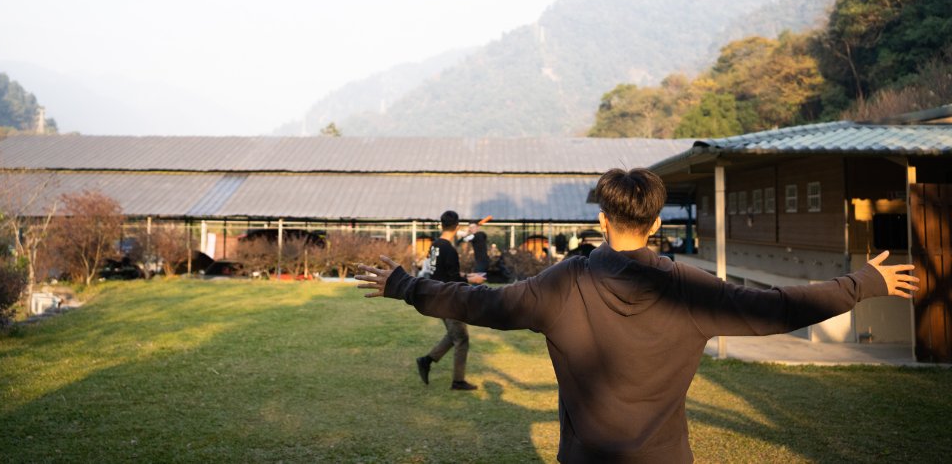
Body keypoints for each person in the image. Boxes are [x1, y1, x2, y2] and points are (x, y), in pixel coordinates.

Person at [356, 168, 918, 463]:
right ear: (655, 225)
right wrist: (862, 283)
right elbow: (779, 308)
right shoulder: (693, 289)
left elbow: (482, 304)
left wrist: (407, 285)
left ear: (603, 220)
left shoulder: (562, 283)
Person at [415, 210, 486, 390]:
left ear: (441, 225)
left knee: (454, 335)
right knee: (462, 339)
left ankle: (426, 360)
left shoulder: (434, 246)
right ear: (457, 227)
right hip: (448, 300)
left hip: (435, 296)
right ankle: (458, 381)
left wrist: (467, 275)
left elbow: (441, 273)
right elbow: (453, 281)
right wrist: (472, 280)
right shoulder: (450, 250)